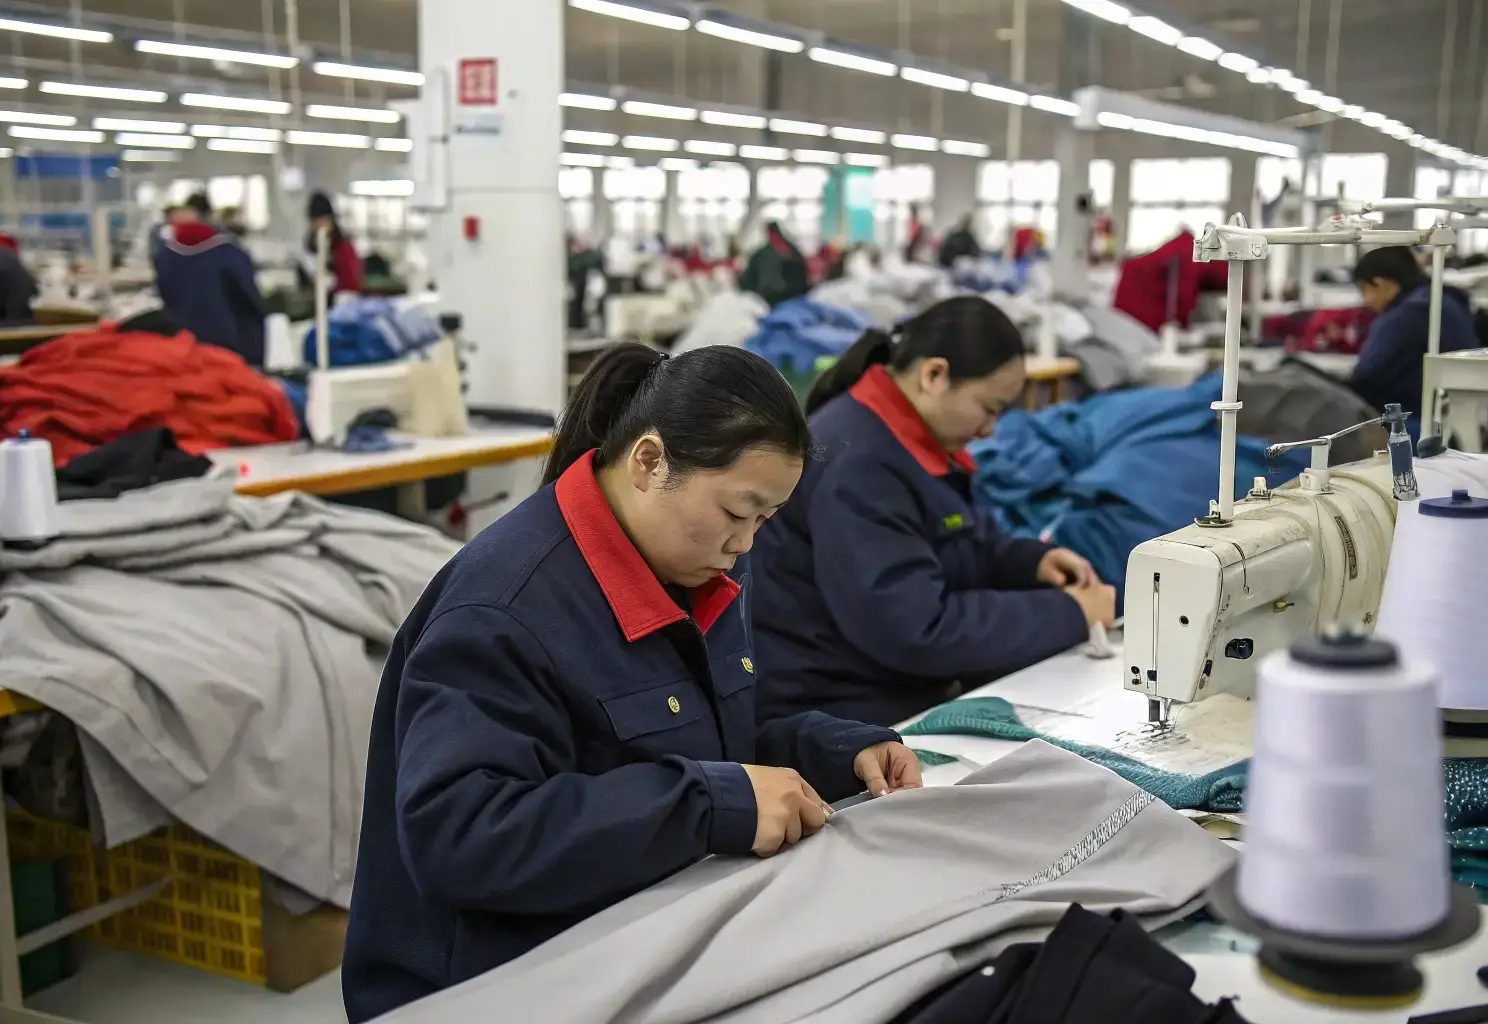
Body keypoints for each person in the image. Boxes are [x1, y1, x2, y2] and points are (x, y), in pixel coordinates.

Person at [342, 343, 923, 1023]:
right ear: (649, 462)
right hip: (495, 986)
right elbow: (462, 837)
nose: (746, 543)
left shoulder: (694, 566)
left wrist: (836, 753)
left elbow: (708, 735)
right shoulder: (505, 610)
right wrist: (709, 804)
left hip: (638, 931)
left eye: (765, 520)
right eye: (737, 513)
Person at [751, 296, 1117, 728]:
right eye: (989, 409)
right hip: (836, 711)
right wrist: (1069, 614)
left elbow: (955, 540)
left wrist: (1030, 562)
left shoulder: (911, 440)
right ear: (934, 376)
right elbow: (915, 630)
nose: (990, 430)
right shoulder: (861, 467)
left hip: (885, 682)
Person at [1348, 245, 1477, 439]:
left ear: (1381, 283)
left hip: (1415, 425)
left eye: (1364, 290)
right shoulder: (1448, 299)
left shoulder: (1406, 315)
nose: (1365, 301)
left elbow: (1365, 378)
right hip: (1457, 422)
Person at [152, 204, 267, 365]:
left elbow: (164, 294)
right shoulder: (228, 253)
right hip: (228, 342)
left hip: (183, 343)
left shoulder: (166, 256)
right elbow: (250, 298)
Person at [303, 190, 363, 295]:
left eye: (324, 221)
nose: (320, 226)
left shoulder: (343, 248)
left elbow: (351, 282)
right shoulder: (309, 248)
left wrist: (333, 284)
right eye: (316, 222)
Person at [739, 220, 810, 307]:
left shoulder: (762, 255)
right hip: (795, 299)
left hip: (771, 301)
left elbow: (749, 280)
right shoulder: (795, 252)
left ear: (769, 233)